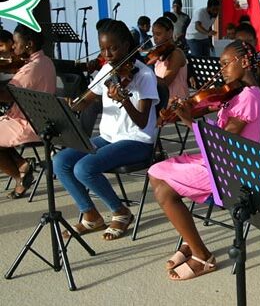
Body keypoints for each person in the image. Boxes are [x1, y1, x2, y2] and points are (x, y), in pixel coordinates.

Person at [148, 40, 260, 281]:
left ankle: (202, 256)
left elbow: (223, 140)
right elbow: (218, 132)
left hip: (231, 170)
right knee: (157, 174)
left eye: (224, 64)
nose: (220, 70)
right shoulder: (238, 93)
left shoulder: (250, 97)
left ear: (244, 62)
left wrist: (189, 120)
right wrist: (182, 116)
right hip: (216, 159)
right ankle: (191, 243)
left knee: (163, 189)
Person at [53, 19, 159, 241]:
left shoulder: (144, 75)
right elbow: (86, 101)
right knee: (61, 161)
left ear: (127, 46)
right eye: (103, 49)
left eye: (113, 48)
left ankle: (120, 212)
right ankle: (91, 215)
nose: (108, 54)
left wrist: (125, 101)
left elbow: (141, 121)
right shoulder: (106, 70)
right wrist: (70, 104)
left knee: (84, 168)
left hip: (137, 141)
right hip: (109, 138)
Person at [0, 24, 56, 199]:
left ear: (29, 44)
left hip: (29, 123)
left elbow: (7, 97)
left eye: (16, 43)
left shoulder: (31, 69)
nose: (13, 47)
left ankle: (20, 176)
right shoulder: (45, 61)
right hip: (37, 118)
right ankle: (22, 165)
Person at [149, 16, 189, 99]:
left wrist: (147, 75)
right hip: (164, 98)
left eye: (158, 34)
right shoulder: (159, 53)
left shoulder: (176, 54)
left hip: (177, 101)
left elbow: (165, 82)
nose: (155, 38)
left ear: (170, 33)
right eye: (153, 34)